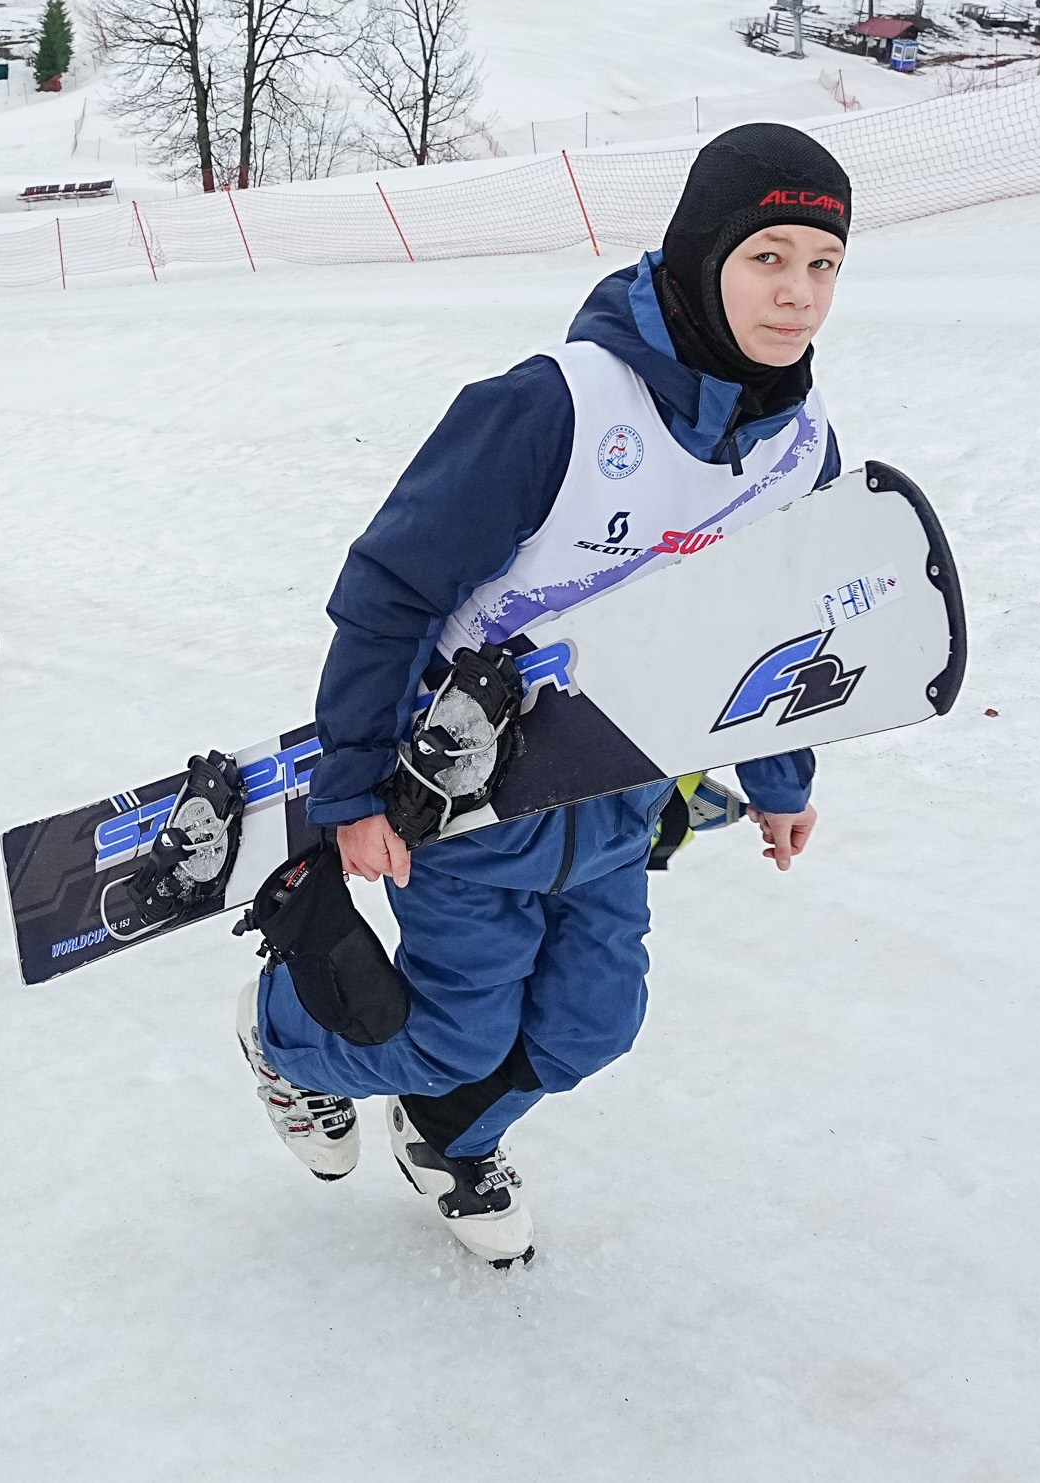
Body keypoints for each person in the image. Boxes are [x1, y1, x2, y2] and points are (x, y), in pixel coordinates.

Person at [236, 123, 855, 1267]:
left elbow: (773, 634)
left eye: (823, 265)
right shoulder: (553, 406)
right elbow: (388, 590)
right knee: (449, 1034)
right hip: (464, 797)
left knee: (591, 1027)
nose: (797, 295)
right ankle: (281, 1035)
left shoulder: (796, 452)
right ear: (701, 254)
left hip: (619, 794)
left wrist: (779, 780)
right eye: (766, 257)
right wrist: (352, 787)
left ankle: (447, 1139)